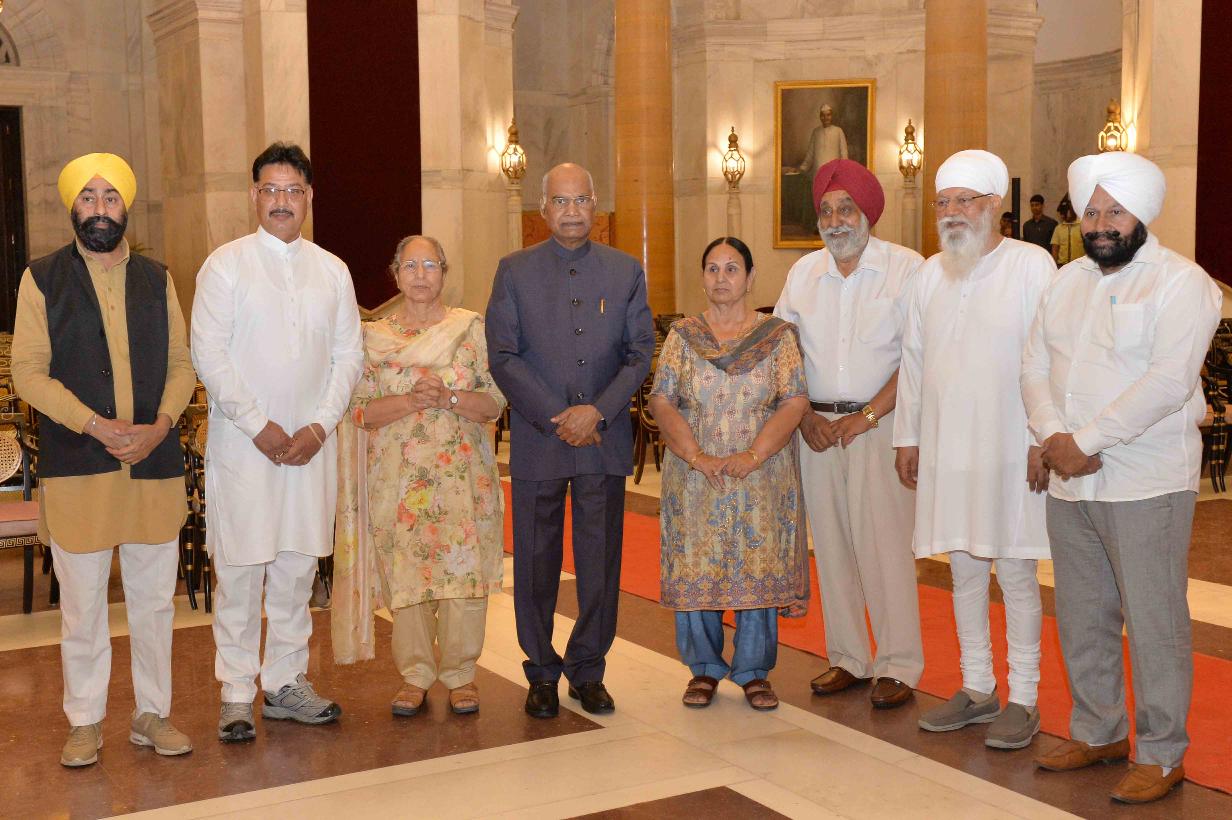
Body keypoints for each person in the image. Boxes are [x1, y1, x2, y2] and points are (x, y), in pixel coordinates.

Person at [1024, 153, 1222, 804]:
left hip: (1145, 480)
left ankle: (1161, 754)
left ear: (1143, 214)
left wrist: (1083, 442)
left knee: (1154, 618)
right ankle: (1099, 731)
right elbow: (1033, 366)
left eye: (1115, 211)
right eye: (1092, 211)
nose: (1102, 223)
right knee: (1083, 615)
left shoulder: (1182, 282)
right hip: (1071, 478)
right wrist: (1052, 437)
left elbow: (1168, 383)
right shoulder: (1064, 282)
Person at [11, 153, 195, 766]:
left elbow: (181, 365)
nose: (99, 209)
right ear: (72, 207)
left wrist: (159, 426)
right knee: (83, 608)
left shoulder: (157, 278)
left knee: (153, 603)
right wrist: (94, 423)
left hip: (151, 463)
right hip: (78, 464)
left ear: (126, 207)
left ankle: (152, 714)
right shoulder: (41, 279)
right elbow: (28, 373)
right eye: (87, 198)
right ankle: (85, 721)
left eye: (109, 197)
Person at [191, 142, 364, 742]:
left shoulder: (332, 270)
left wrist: (320, 425)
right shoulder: (225, 266)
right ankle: (237, 692)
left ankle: (286, 683)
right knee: (240, 570)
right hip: (245, 447)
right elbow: (208, 354)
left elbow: (348, 355)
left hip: (310, 447)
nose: (281, 201)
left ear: (309, 198)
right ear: (254, 196)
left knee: (295, 567)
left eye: (293, 190)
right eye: (271, 189)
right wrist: (258, 424)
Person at [893, 149, 1055, 751]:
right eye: (944, 202)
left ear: (994, 205)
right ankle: (978, 687)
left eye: (965, 200)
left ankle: (1026, 697)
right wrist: (907, 436)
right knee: (962, 570)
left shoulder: (1031, 265)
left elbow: (1051, 356)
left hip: (1013, 446)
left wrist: (1043, 437)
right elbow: (913, 363)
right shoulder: (928, 275)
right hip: (947, 449)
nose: (953, 211)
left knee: (1014, 571)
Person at [486, 163, 655, 719]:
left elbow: (639, 353)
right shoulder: (514, 271)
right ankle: (540, 671)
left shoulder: (625, 271)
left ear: (595, 205)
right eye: (561, 201)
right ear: (543, 208)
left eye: (581, 199)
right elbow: (503, 355)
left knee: (600, 563)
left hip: (602, 440)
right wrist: (558, 416)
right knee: (535, 562)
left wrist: (597, 412)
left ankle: (588, 669)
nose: (572, 210)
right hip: (541, 439)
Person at [332, 235, 505, 717]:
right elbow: (359, 411)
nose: (421, 274)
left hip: (462, 479)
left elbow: (495, 402)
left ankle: (461, 674)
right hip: (398, 482)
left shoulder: (470, 329)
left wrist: (449, 398)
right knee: (406, 577)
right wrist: (411, 400)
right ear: (395, 273)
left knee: (463, 573)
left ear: (444, 272)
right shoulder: (372, 338)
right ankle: (414, 675)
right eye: (411, 265)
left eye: (431, 264)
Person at [774, 159, 924, 709]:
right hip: (816, 431)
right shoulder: (803, 274)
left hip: (877, 427)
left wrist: (866, 418)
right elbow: (783, 352)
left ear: (868, 214)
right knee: (832, 546)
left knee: (885, 548)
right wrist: (804, 417)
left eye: (846, 209)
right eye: (826, 210)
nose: (835, 220)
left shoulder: (907, 270)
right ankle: (848, 657)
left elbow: (918, 360)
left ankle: (898, 664)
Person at [651, 237, 810, 711]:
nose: (722, 278)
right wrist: (697, 456)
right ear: (702, 277)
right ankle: (703, 669)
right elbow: (662, 400)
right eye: (713, 269)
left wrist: (754, 455)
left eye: (732, 268)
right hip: (695, 476)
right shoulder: (683, 337)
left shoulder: (776, 337)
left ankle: (754, 672)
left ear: (750, 276)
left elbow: (794, 400)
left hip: (760, 475)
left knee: (756, 568)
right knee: (696, 567)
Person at [1051, 195, 1083, 265]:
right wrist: (1054, 266)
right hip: (1062, 265)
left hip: (1079, 265)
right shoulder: (1058, 228)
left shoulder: (1082, 227)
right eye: (1061, 213)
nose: (1062, 216)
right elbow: (1055, 249)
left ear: (1072, 211)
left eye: (1064, 213)